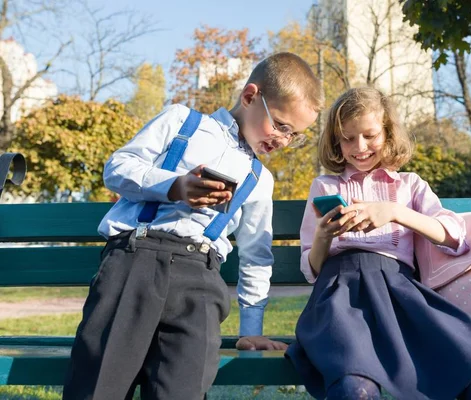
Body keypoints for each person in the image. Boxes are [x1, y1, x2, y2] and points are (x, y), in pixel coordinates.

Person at [63, 52, 323, 400]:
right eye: (280, 125)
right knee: (100, 385)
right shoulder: (181, 121)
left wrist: (251, 329)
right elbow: (118, 167)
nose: (283, 140)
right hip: (135, 261)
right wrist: (174, 186)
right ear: (249, 97)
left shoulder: (260, 179)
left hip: (200, 280)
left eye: (295, 135)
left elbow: (256, 256)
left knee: (183, 388)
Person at [285, 87, 471, 400]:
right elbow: (311, 268)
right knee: (355, 390)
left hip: (401, 295)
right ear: (336, 140)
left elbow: (454, 237)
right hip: (340, 297)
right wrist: (325, 235)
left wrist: (395, 212)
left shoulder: (411, 185)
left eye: (369, 135)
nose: (359, 147)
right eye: (348, 138)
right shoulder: (325, 185)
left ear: (389, 134)